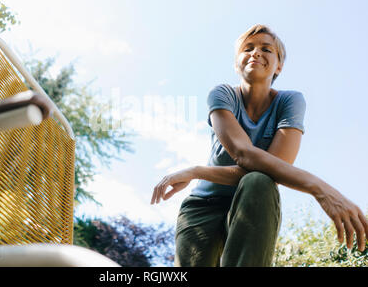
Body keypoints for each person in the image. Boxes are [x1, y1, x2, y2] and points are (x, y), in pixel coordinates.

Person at [150, 24, 368, 267]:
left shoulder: (290, 101)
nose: (255, 53)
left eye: (266, 49)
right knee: (257, 174)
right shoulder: (222, 95)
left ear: (279, 65)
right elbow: (244, 155)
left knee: (258, 180)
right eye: (248, 48)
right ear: (236, 63)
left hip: (254, 201)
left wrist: (195, 171)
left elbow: (274, 170)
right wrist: (320, 188)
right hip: (205, 205)